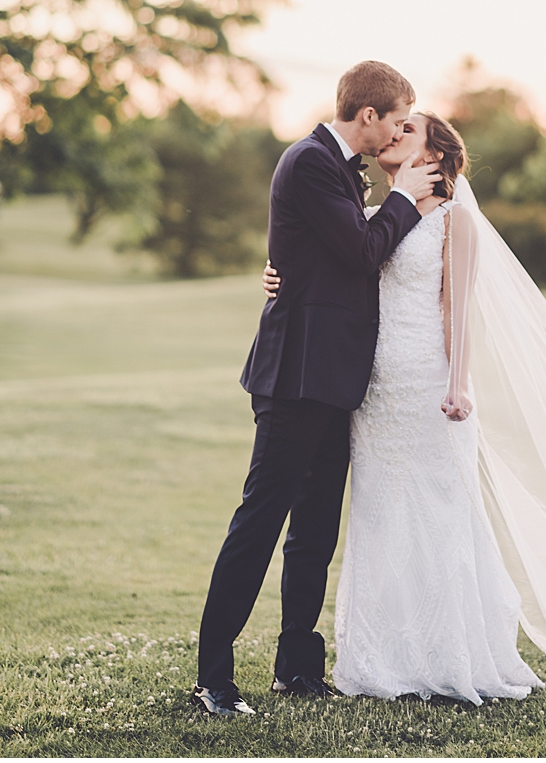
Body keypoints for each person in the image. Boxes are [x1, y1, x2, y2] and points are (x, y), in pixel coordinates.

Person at [262, 112, 546, 702]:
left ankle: (448, 655)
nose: (392, 136)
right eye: (393, 127)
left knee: (440, 512)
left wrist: (459, 382)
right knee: (381, 516)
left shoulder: (456, 219)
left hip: (429, 382)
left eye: (407, 131)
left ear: (435, 155)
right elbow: (341, 265)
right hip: (372, 390)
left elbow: (455, 309)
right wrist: (278, 275)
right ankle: (380, 660)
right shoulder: (371, 217)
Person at [192, 61, 440, 717]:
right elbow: (362, 251)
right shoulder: (308, 162)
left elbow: (340, 258)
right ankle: (212, 677)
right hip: (296, 377)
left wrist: (291, 267)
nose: (394, 132)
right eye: (392, 118)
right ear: (367, 116)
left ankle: (297, 667)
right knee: (260, 522)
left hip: (334, 380)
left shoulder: (338, 169)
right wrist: (406, 199)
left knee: (314, 530)